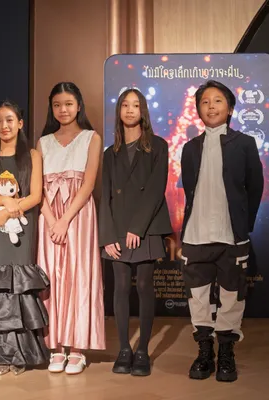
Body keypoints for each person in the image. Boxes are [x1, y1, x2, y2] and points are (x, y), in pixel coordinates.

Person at [180, 80, 263, 382]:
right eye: (205, 102)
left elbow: (255, 188)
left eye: (217, 101)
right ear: (198, 109)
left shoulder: (245, 143)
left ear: (229, 108)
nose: (211, 106)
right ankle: (205, 352)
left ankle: (226, 353)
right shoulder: (190, 148)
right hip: (196, 235)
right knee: (198, 297)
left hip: (232, 236)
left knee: (232, 296)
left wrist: (244, 225)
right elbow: (189, 190)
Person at [0, 100, 49, 376]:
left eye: (9, 120)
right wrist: (4, 203)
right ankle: (0, 353)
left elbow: (35, 195)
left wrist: (10, 211)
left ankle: (22, 353)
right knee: (0, 286)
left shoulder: (32, 155)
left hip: (22, 227)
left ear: (20, 123)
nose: (4, 125)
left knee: (20, 286)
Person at [99, 88, 172, 376]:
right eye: (125, 105)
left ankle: (142, 350)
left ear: (143, 111)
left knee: (143, 286)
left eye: (136, 105)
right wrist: (107, 236)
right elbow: (104, 196)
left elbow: (155, 190)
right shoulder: (110, 153)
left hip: (147, 226)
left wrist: (137, 228)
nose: (130, 110)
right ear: (119, 111)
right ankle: (123, 350)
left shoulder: (158, 146)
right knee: (119, 288)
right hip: (117, 228)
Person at [37, 82, 105, 375]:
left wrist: (65, 219)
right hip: (48, 216)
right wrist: (52, 219)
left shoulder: (91, 138)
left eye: (68, 104)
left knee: (78, 275)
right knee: (51, 277)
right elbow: (36, 187)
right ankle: (55, 345)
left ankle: (77, 347)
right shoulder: (43, 142)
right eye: (57, 105)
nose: (63, 110)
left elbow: (88, 183)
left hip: (78, 214)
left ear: (78, 105)